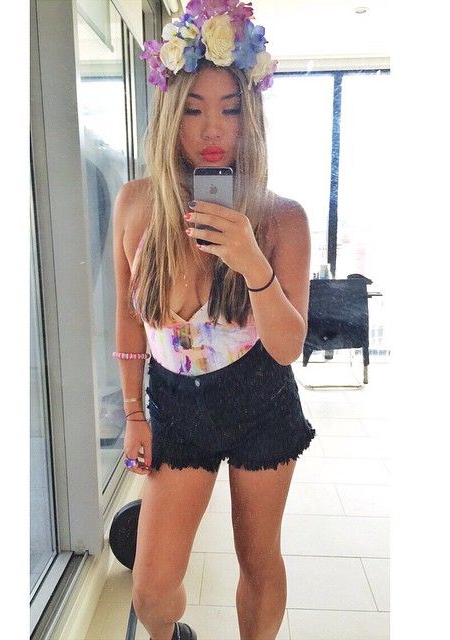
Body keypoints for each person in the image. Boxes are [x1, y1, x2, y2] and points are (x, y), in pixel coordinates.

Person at [112, 2, 316, 638]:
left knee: (258, 559)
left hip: (260, 401)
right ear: (171, 113)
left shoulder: (283, 219)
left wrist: (252, 263)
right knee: (151, 590)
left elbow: (287, 348)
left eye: (230, 109)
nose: (212, 129)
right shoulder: (136, 205)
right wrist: (134, 413)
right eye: (193, 108)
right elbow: (127, 316)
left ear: (250, 117)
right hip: (176, 409)